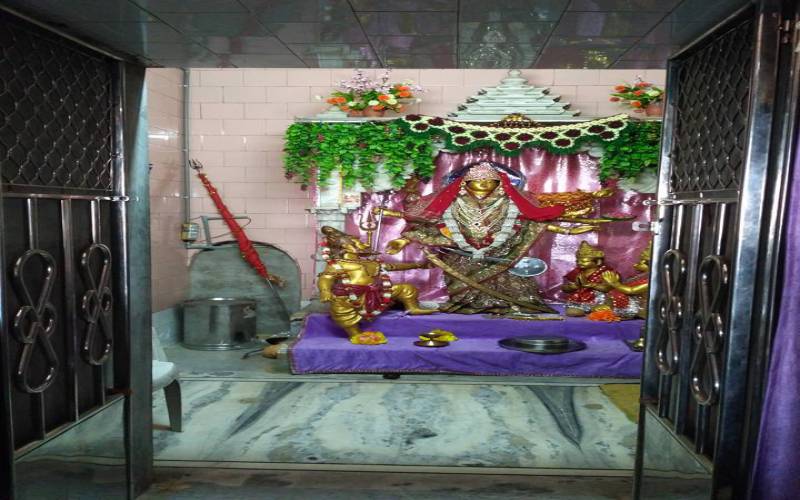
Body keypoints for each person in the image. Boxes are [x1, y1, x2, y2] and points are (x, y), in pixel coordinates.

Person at [380, 161, 602, 315]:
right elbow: (430, 223)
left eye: (490, 182)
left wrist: (567, 231)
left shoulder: (510, 201)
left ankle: (508, 304)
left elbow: (532, 220)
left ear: (499, 183)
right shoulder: (454, 202)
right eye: (479, 181)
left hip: (504, 250)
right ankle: (465, 303)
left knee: (512, 280)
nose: (484, 185)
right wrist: (404, 240)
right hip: (460, 252)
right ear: (465, 183)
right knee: (463, 284)